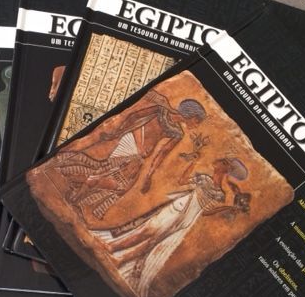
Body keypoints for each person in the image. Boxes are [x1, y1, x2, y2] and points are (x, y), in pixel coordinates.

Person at [91, 157, 251, 297]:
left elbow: (206, 211)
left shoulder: (219, 193)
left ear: (226, 168)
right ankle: (113, 248)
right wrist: (192, 162)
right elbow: (182, 181)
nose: (218, 160)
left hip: (188, 217)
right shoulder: (204, 178)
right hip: (178, 208)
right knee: (148, 230)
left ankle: (122, 259)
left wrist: (227, 208)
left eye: (223, 161)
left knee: (155, 241)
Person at [49, 89, 207, 221]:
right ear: (191, 115)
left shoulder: (178, 133)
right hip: (130, 142)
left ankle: (76, 192)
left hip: (139, 156)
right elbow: (135, 117)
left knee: (116, 181)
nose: (196, 125)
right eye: (197, 121)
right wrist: (124, 136)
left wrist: (149, 175)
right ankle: (75, 194)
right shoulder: (161, 110)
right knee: (113, 178)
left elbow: (162, 153)